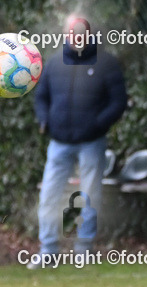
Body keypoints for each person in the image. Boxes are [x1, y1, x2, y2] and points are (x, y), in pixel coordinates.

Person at [31, 14, 127, 266]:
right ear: (65, 35)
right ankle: (48, 251)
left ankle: (84, 248)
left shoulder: (106, 63)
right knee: (49, 195)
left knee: (89, 195)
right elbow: (41, 97)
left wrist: (98, 123)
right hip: (59, 143)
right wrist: (44, 120)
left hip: (91, 142)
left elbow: (118, 101)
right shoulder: (53, 64)